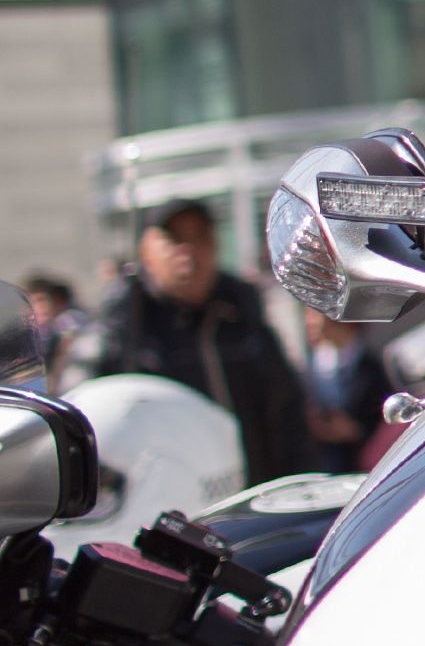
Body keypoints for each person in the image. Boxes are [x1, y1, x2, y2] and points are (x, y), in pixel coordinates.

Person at [83, 198, 307, 487]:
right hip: (166, 505)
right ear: (145, 253)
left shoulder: (243, 313)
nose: (188, 251)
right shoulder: (124, 327)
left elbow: (288, 413)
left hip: (254, 502)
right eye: (173, 239)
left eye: (200, 236)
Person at [299, 309, 388, 472]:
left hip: (367, 461)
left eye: (315, 315)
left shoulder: (376, 366)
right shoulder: (314, 365)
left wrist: (356, 430)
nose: (309, 322)